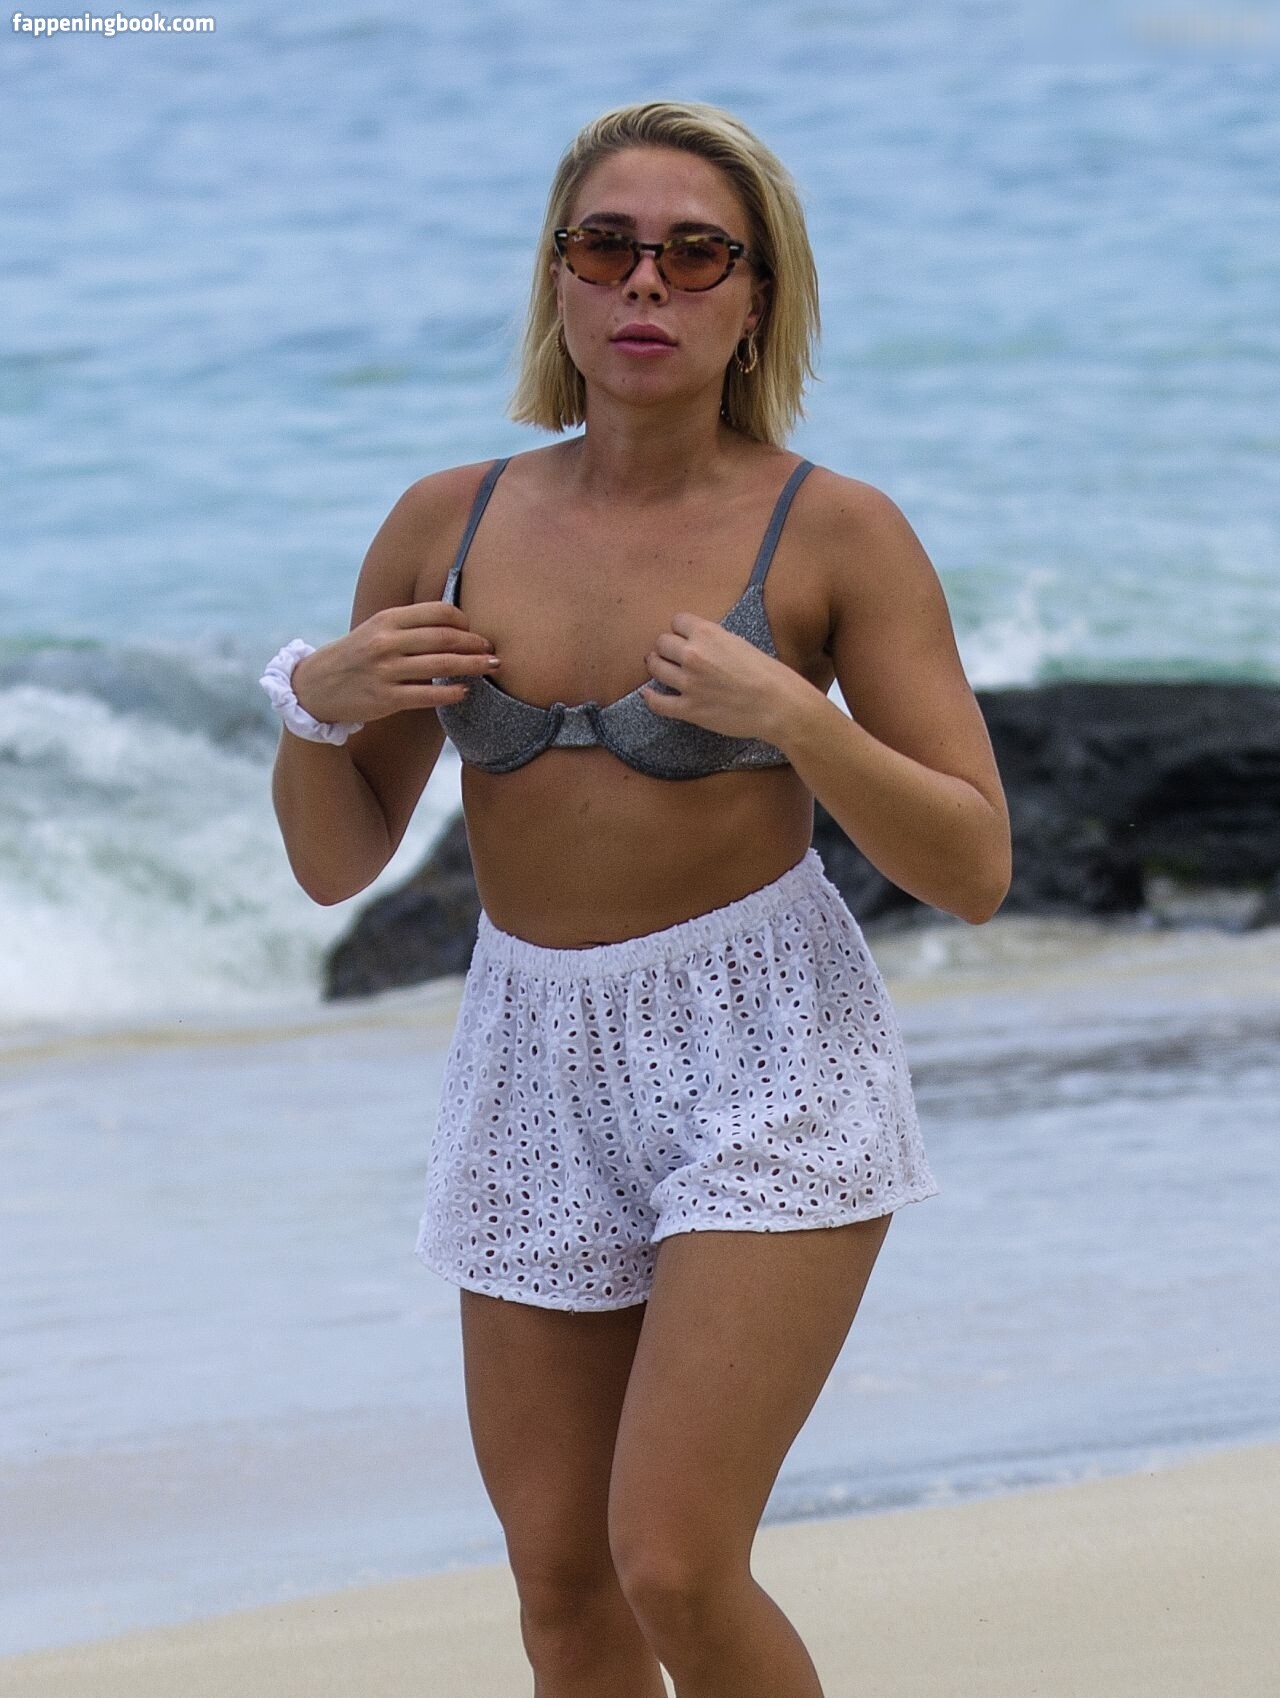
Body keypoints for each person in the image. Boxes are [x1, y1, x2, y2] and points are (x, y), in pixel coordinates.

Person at [263, 99, 1010, 1698]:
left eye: (694, 254)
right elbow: (336, 861)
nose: (646, 285)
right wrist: (317, 707)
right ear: (558, 281)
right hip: (532, 1053)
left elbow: (974, 865)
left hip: (770, 1045)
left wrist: (801, 722)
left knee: (672, 1555)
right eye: (606, 248)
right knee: (563, 1588)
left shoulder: (837, 531)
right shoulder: (447, 525)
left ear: (757, 298)